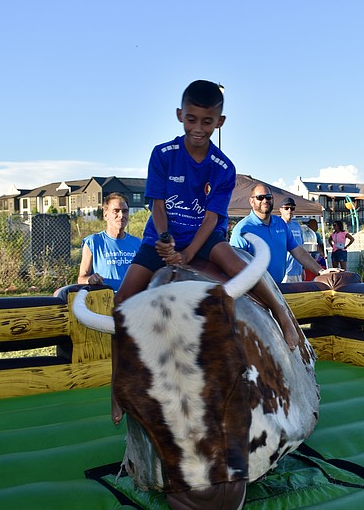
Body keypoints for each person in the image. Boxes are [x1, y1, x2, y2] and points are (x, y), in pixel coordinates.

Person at [112, 81, 300, 424]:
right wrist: (166, 241)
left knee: (238, 266)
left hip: (205, 236)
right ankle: (118, 385)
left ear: (220, 122)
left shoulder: (223, 166)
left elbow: (212, 217)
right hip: (161, 238)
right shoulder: (162, 154)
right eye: (192, 119)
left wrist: (187, 255)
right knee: (121, 300)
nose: (198, 128)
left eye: (207, 121)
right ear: (180, 115)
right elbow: (157, 205)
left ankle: (281, 315)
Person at [230, 184, 330, 283]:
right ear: (252, 201)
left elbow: (298, 251)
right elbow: (233, 265)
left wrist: (321, 271)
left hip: (278, 286)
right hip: (254, 290)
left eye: (268, 197)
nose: (265, 200)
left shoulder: (280, 223)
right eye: (260, 197)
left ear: (272, 199)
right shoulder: (242, 229)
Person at [77, 192, 142, 291]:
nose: (121, 215)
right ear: (106, 215)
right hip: (104, 298)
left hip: (131, 298)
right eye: (116, 211)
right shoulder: (93, 242)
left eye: (125, 211)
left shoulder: (138, 244)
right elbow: (81, 278)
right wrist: (89, 279)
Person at [278, 197, 305, 282]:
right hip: (284, 272)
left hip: (298, 272)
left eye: (292, 208)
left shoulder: (297, 226)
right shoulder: (277, 225)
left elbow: (301, 248)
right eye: (286, 208)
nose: (289, 210)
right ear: (280, 210)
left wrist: (303, 268)